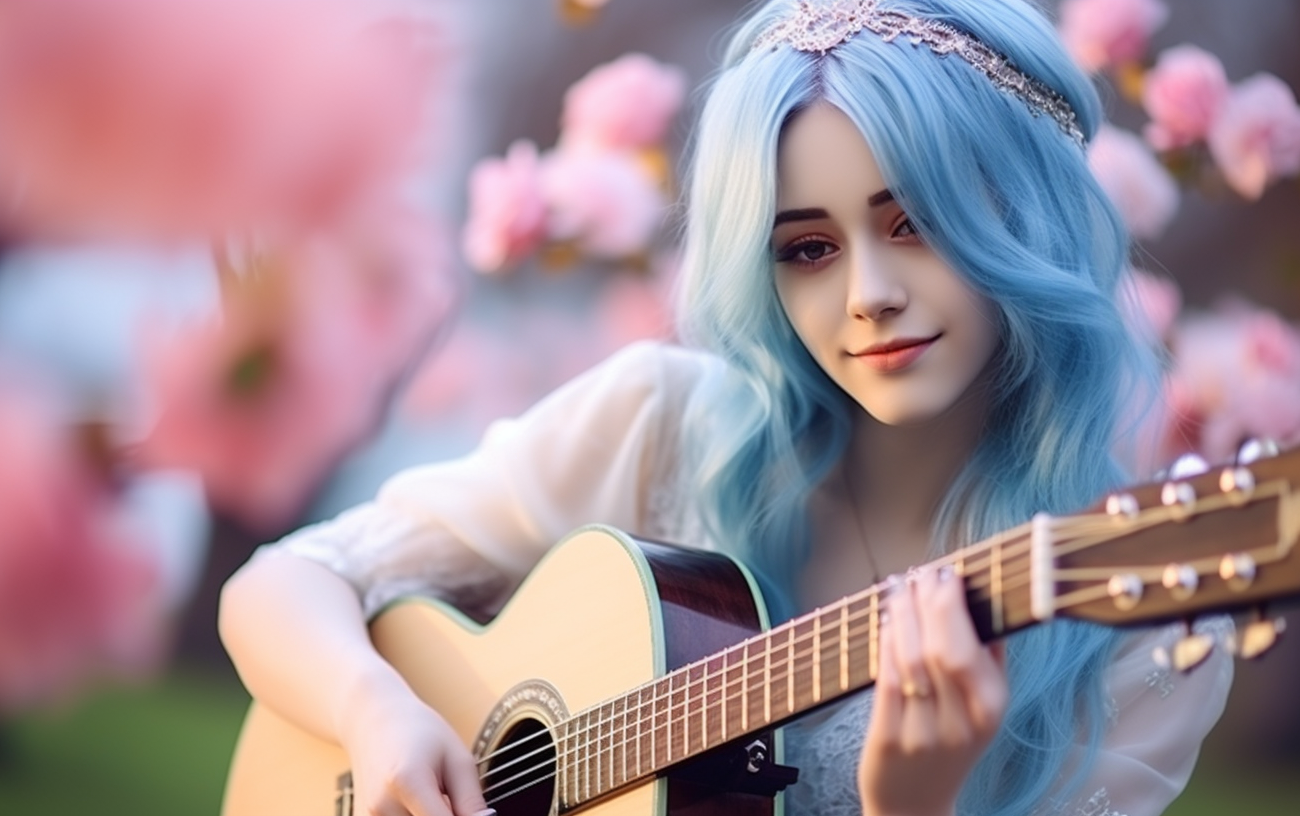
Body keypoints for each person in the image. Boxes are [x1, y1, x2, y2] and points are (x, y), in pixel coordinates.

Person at [218, 1, 1233, 814]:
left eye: (914, 223)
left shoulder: (1144, 642)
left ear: (1027, 223)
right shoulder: (661, 423)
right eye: (807, 249)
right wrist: (375, 712)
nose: (866, 293)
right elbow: (284, 584)